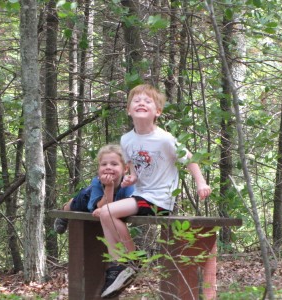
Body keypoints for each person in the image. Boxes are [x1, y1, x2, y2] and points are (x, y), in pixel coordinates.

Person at [93, 83, 212, 299]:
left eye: (147, 101)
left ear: (157, 112)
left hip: (160, 199)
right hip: (140, 195)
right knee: (104, 213)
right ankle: (117, 266)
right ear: (129, 110)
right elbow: (135, 168)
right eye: (136, 101)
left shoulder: (164, 139)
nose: (141, 103)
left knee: (107, 211)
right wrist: (131, 177)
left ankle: (131, 261)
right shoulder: (126, 140)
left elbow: (190, 159)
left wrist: (201, 183)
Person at [53, 144, 135, 234]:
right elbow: (102, 207)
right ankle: (64, 209)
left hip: (112, 205)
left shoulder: (129, 183)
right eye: (104, 164)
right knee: (74, 203)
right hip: (86, 199)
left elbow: (131, 204)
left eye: (114, 164)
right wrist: (109, 186)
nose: (108, 167)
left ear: (125, 168)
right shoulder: (97, 182)